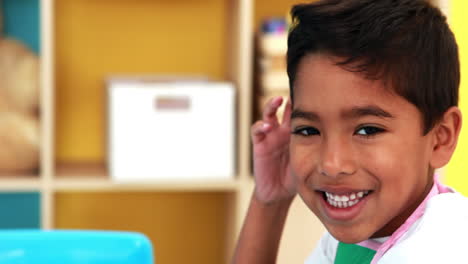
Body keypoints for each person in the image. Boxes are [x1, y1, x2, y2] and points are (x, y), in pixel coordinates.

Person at [232, 0, 466, 263]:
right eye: (309, 131)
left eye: (367, 130)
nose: (332, 165)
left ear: (440, 138)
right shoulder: (366, 230)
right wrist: (269, 201)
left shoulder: (437, 250)